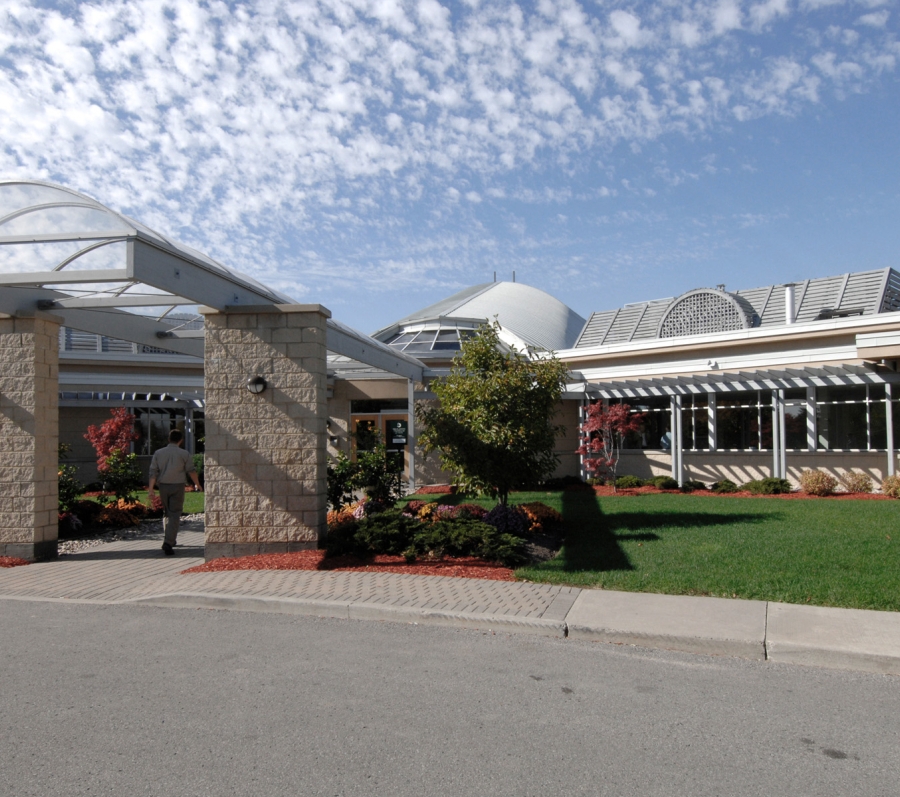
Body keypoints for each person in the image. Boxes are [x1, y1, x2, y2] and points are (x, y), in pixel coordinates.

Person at [148, 429, 202, 555]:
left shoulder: (158, 453)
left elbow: (153, 472)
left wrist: (151, 489)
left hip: (163, 486)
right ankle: (169, 541)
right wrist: (197, 484)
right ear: (181, 441)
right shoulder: (184, 454)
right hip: (177, 486)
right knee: (175, 514)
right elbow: (191, 470)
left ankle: (169, 538)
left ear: (169, 439)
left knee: (166, 513)